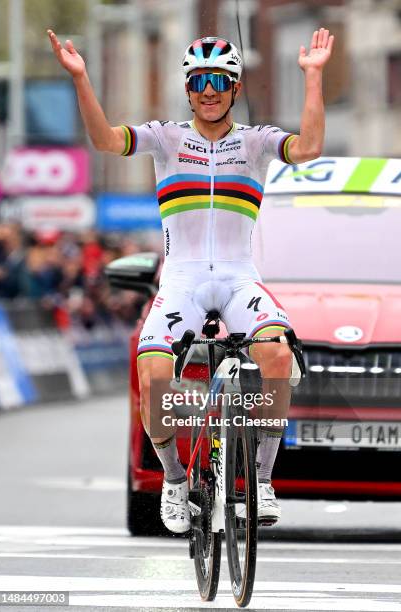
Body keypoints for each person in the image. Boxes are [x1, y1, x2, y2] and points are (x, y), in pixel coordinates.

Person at [48, 29, 334, 533]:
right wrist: (81, 78)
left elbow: (308, 148)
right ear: (187, 87)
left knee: (277, 356)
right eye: (199, 80)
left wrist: (312, 76)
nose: (208, 90)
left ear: (235, 87)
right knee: (155, 377)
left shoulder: (257, 140)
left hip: (238, 276)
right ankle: (176, 481)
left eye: (218, 81)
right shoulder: (165, 137)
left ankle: (262, 481)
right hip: (180, 280)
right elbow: (105, 140)